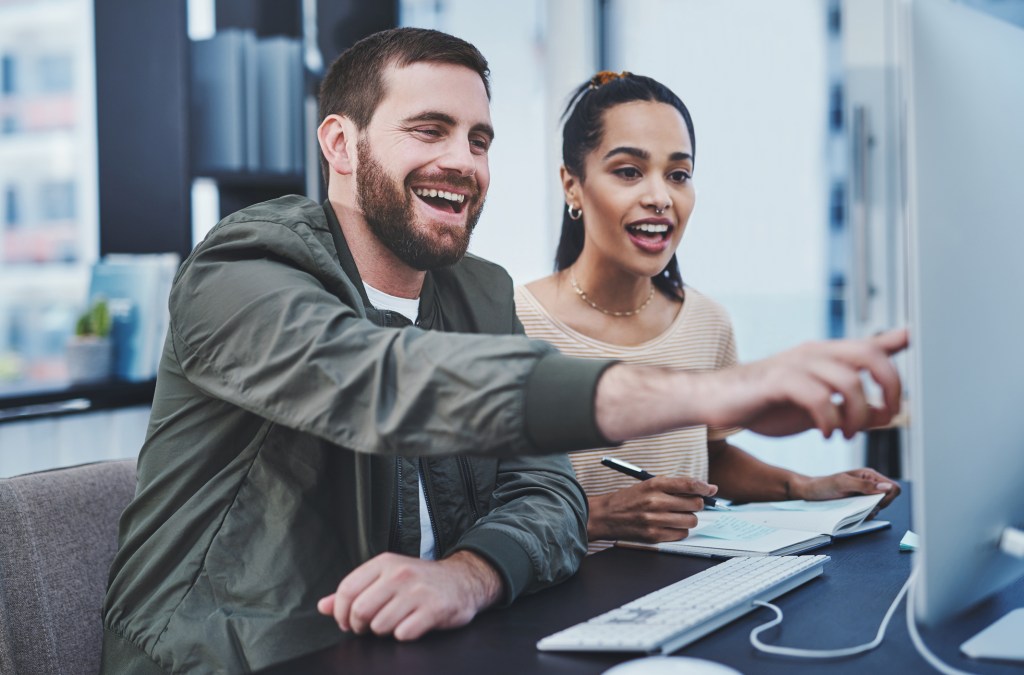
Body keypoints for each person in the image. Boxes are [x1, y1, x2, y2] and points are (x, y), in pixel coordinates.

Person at [100, 29, 906, 674]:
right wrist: (696, 393)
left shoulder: (473, 291)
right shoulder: (242, 270)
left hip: (414, 649)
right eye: (430, 129)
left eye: (480, 138)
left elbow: (547, 491)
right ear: (341, 145)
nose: (463, 161)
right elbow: (383, 381)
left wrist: (466, 575)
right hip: (229, 658)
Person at [516, 71, 902, 553]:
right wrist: (598, 515)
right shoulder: (513, 320)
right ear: (572, 186)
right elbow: (473, 501)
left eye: (678, 174)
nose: (660, 197)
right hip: (559, 598)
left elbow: (710, 457)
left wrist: (804, 488)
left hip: (689, 586)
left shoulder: (706, 321)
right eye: (629, 171)